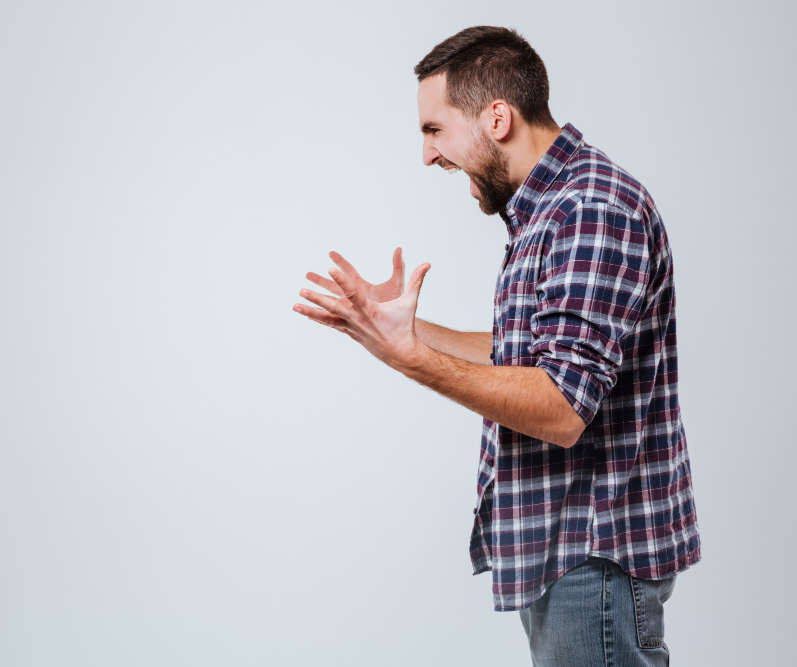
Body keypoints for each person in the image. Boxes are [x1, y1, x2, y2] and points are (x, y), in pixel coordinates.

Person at [292, 26, 700, 667]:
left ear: (497, 117)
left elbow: (560, 405)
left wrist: (411, 360)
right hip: (570, 556)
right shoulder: (550, 210)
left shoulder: (589, 207)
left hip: (591, 556)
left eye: (434, 130)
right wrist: (396, 328)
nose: (428, 156)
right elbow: (531, 355)